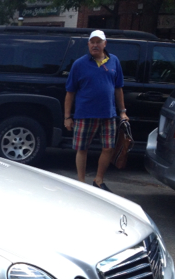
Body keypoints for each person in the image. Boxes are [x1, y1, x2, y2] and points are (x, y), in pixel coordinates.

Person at [64, 30, 129, 192]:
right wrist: (67, 116)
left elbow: (118, 89)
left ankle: (98, 180)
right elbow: (70, 92)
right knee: (82, 148)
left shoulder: (114, 61)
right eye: (92, 42)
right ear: (88, 44)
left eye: (98, 42)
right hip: (84, 114)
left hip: (108, 114)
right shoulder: (79, 64)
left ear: (104, 44)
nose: (95, 45)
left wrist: (122, 111)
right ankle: (81, 181)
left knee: (108, 148)